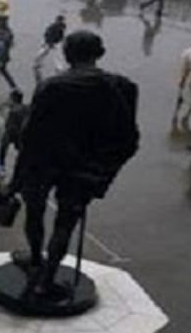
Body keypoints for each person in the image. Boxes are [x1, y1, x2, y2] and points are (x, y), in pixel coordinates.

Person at [8, 31, 139, 297]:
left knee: (35, 213)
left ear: (67, 54)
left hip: (45, 163)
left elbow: (31, 137)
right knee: (65, 224)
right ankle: (48, 276)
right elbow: (127, 138)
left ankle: (36, 259)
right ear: (99, 54)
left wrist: (15, 181)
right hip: (85, 169)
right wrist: (102, 170)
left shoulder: (52, 87)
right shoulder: (124, 87)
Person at [0, 90, 29, 172]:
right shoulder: (26, 107)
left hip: (16, 134)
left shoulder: (13, 112)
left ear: (13, 99)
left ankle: (1, 165)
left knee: (3, 143)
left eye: (10, 98)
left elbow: (10, 127)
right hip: (27, 134)